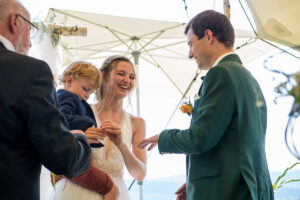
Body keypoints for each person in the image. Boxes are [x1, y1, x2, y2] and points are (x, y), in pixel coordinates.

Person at [139, 10, 274, 200]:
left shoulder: (220, 74)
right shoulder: (249, 79)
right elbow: (236, 142)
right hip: (246, 187)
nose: (189, 54)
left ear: (209, 36)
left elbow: (200, 138)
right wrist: (198, 181)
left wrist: (163, 138)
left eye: (191, 44)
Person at [0, 0, 92, 200]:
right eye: (30, 29)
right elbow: (63, 158)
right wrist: (80, 139)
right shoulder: (30, 71)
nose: (31, 42)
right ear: (15, 21)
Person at [52, 55, 147, 200]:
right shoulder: (81, 110)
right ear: (103, 76)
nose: (127, 80)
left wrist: (121, 145)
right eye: (121, 74)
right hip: (76, 190)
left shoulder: (137, 123)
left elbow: (139, 175)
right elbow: (56, 141)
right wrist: (79, 136)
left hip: (117, 193)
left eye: (132, 77)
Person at [50, 61, 119, 200]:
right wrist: (87, 125)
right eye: (86, 89)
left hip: (71, 157)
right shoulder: (67, 97)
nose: (88, 95)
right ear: (69, 80)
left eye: (91, 92)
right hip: (75, 158)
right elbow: (62, 118)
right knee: (111, 190)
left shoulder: (71, 97)